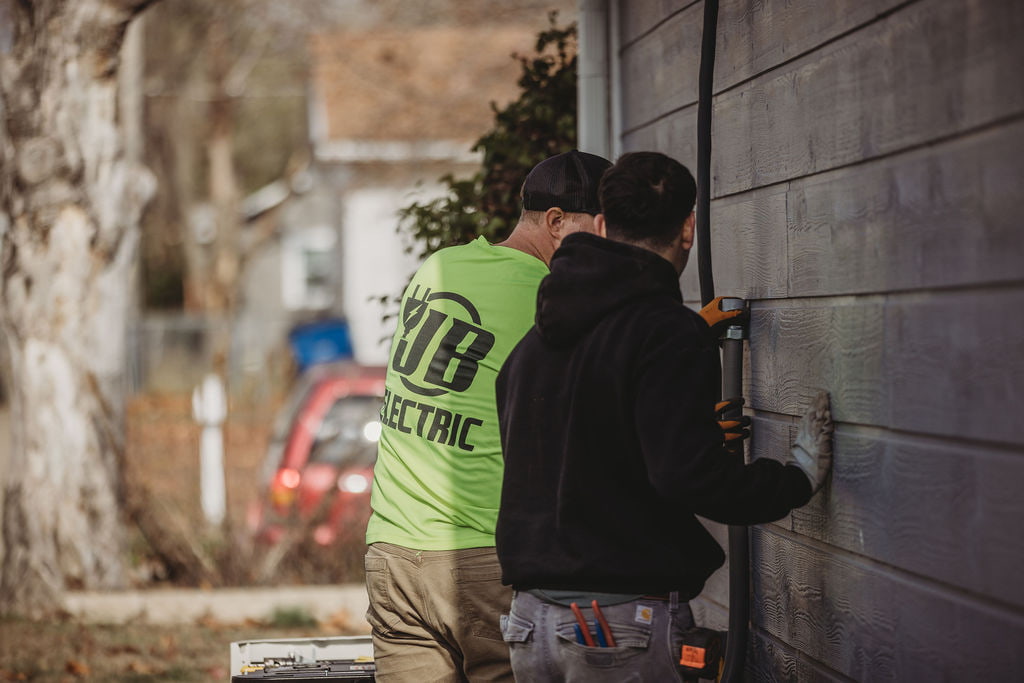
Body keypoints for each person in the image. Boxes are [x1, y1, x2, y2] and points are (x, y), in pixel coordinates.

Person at [494, 151, 833, 682]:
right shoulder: (666, 332)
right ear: (688, 228)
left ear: (601, 226)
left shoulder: (535, 345)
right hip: (615, 626)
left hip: (530, 625)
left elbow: (570, 458)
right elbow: (688, 477)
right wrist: (796, 479)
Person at [364, 150, 614, 682]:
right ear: (555, 221)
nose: (608, 248)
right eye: (600, 230)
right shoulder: (549, 297)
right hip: (482, 559)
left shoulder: (439, 267)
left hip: (392, 553)